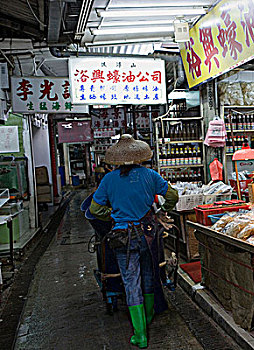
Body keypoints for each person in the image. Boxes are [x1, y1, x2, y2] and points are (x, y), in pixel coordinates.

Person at [89, 135, 178, 348]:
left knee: (131, 282)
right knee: (149, 276)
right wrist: (161, 212)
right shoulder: (150, 175)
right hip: (148, 234)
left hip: (123, 237)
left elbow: (94, 209)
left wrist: (112, 214)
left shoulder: (109, 179)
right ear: (140, 157)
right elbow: (172, 196)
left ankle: (140, 334)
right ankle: (147, 319)